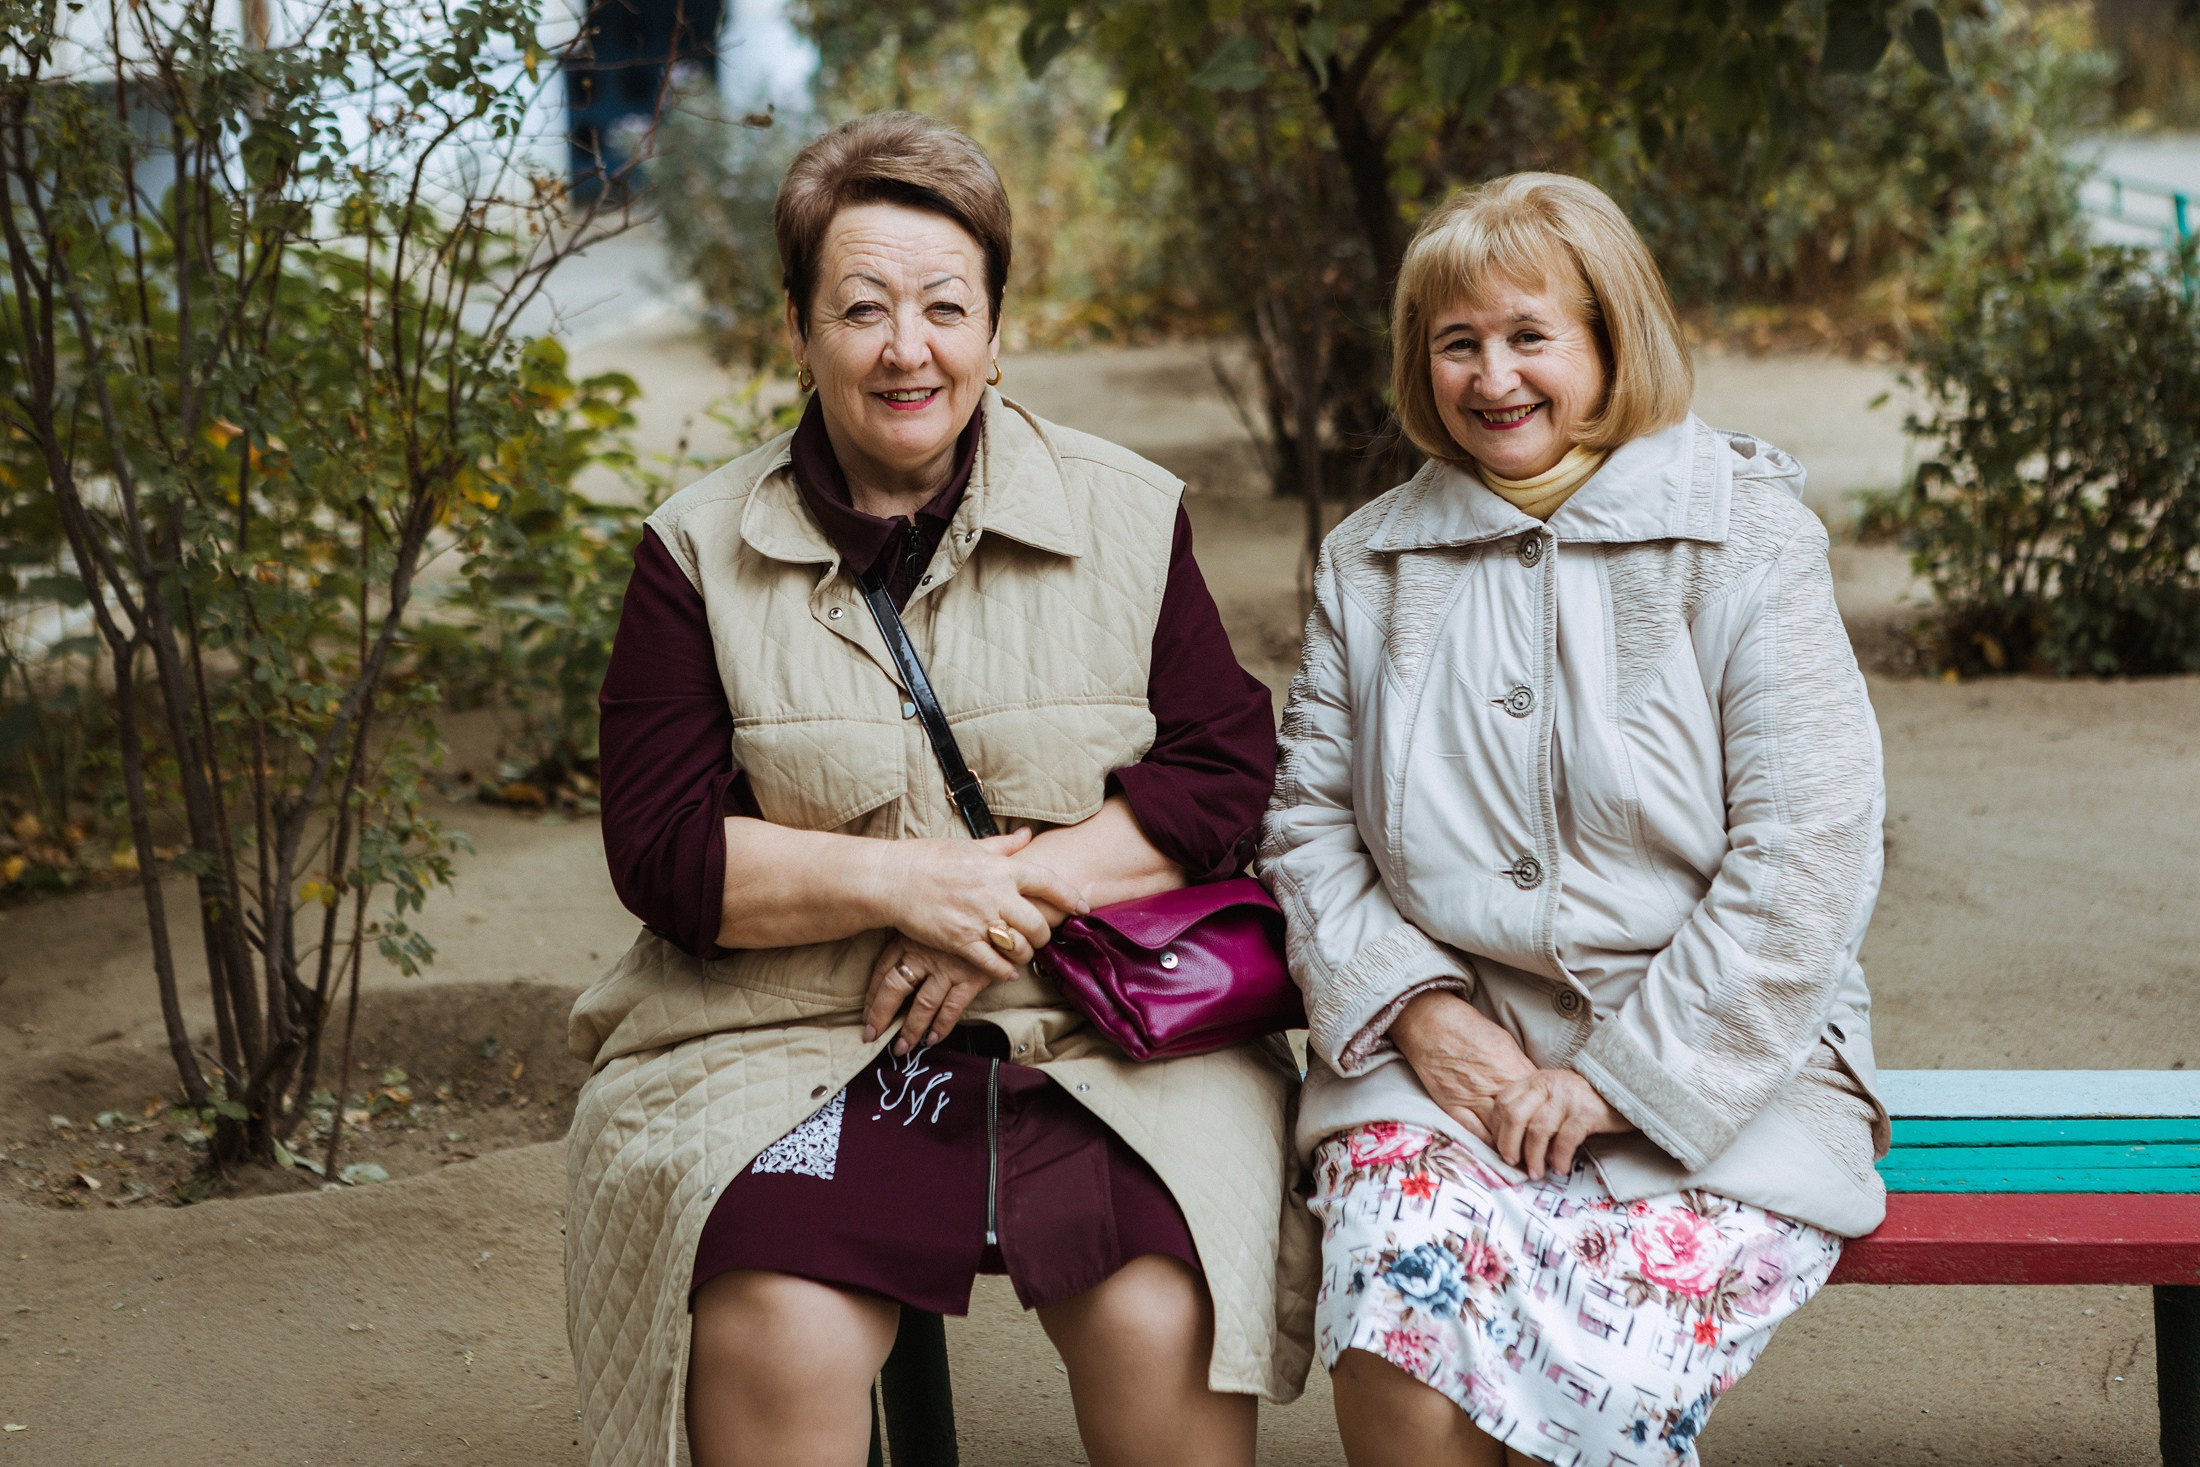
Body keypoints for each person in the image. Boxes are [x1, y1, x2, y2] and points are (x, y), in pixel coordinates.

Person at [562, 112, 1313, 1467]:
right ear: (800, 331)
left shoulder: (1126, 513)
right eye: (861, 308)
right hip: (787, 1040)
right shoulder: (693, 554)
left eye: (944, 307)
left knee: (1159, 1312)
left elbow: (1222, 769)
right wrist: (909, 884)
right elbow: (664, 853)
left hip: (1095, 1027)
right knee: (775, 1330)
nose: (907, 347)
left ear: (994, 327)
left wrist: (999, 899)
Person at [1258, 172, 1890, 1467]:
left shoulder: (1746, 541)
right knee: (1398, 1322)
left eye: (1530, 335)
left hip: (1720, 1071)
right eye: (1458, 343)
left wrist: (1610, 1082)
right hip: (1446, 1066)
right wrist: (1426, 1019)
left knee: (1588, 1360)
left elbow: (1807, 857)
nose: (1494, 377)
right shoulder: (1369, 564)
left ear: (1612, 340)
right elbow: (1307, 829)